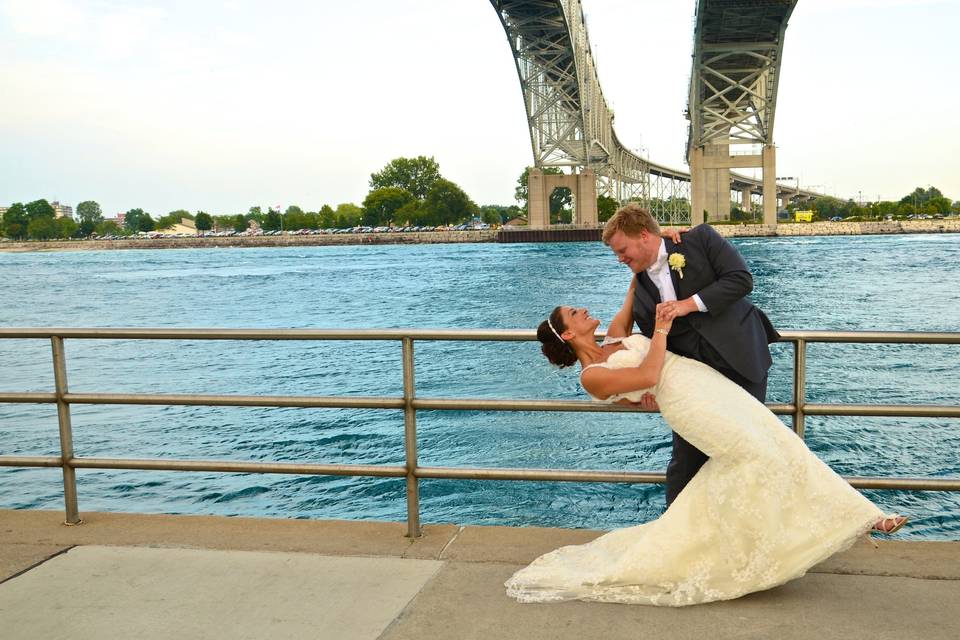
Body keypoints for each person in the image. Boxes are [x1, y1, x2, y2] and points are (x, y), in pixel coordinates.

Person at [504, 298, 906, 606]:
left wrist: (660, 242)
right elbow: (648, 376)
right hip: (689, 405)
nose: (583, 309)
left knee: (781, 443)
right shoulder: (592, 376)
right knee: (754, 457)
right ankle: (834, 527)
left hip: (708, 384)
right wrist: (661, 330)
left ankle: (863, 518)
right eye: (574, 312)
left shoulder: (615, 335)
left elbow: (633, 283)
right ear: (569, 334)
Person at [603, 203, 780, 505]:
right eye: (616, 254)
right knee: (684, 464)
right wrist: (649, 389)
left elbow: (741, 280)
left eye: (622, 250)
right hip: (693, 383)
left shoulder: (699, 239)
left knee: (744, 451)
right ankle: (676, 541)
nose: (619, 259)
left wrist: (687, 304)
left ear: (644, 235)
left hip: (740, 359)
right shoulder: (640, 284)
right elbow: (651, 341)